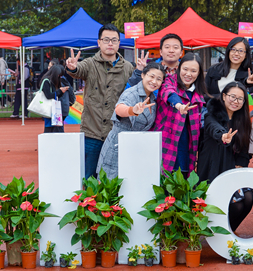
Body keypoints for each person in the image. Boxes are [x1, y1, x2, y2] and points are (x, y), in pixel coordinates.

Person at [66, 23, 135, 178]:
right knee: (89, 178)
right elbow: (79, 70)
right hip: (92, 133)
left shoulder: (128, 68)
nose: (110, 43)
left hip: (116, 133)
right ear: (99, 42)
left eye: (114, 40)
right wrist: (72, 67)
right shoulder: (90, 64)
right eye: (106, 39)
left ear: (119, 43)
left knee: (114, 178)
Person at [197, 82, 253, 231]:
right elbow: (213, 128)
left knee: (248, 199)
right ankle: (219, 233)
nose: (236, 101)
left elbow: (244, 151)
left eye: (240, 99)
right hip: (213, 168)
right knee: (235, 204)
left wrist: (240, 166)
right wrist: (223, 136)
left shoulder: (243, 121)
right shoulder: (211, 115)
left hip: (231, 169)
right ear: (223, 96)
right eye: (232, 97)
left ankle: (228, 233)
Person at [96, 62, 166, 179]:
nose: (154, 81)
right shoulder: (132, 93)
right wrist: (133, 110)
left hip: (135, 150)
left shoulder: (153, 98)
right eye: (151, 76)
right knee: (109, 190)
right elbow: (119, 109)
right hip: (117, 148)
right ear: (143, 75)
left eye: (159, 79)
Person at [155, 52, 207, 174]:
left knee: (182, 183)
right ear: (179, 68)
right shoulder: (168, 81)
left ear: (199, 73)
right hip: (166, 144)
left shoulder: (198, 93)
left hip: (186, 146)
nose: (188, 74)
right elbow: (168, 92)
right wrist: (179, 105)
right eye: (185, 69)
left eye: (193, 71)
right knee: (162, 184)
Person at [39, 65, 69, 133]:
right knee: (50, 129)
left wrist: (61, 92)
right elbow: (49, 95)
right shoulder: (46, 81)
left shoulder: (51, 81)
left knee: (55, 129)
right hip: (49, 109)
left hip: (53, 109)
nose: (59, 77)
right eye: (58, 75)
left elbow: (54, 94)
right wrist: (59, 91)